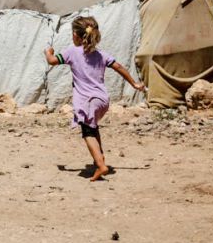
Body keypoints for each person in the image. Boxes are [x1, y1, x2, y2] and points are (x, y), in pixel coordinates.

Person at [44, 16, 144, 182]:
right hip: (102, 100)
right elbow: (118, 66)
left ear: (76, 35)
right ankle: (100, 158)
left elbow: (52, 61)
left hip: (87, 100)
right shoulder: (101, 55)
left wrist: (48, 52)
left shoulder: (71, 52)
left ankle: (100, 166)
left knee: (87, 132)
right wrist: (134, 83)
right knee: (93, 127)